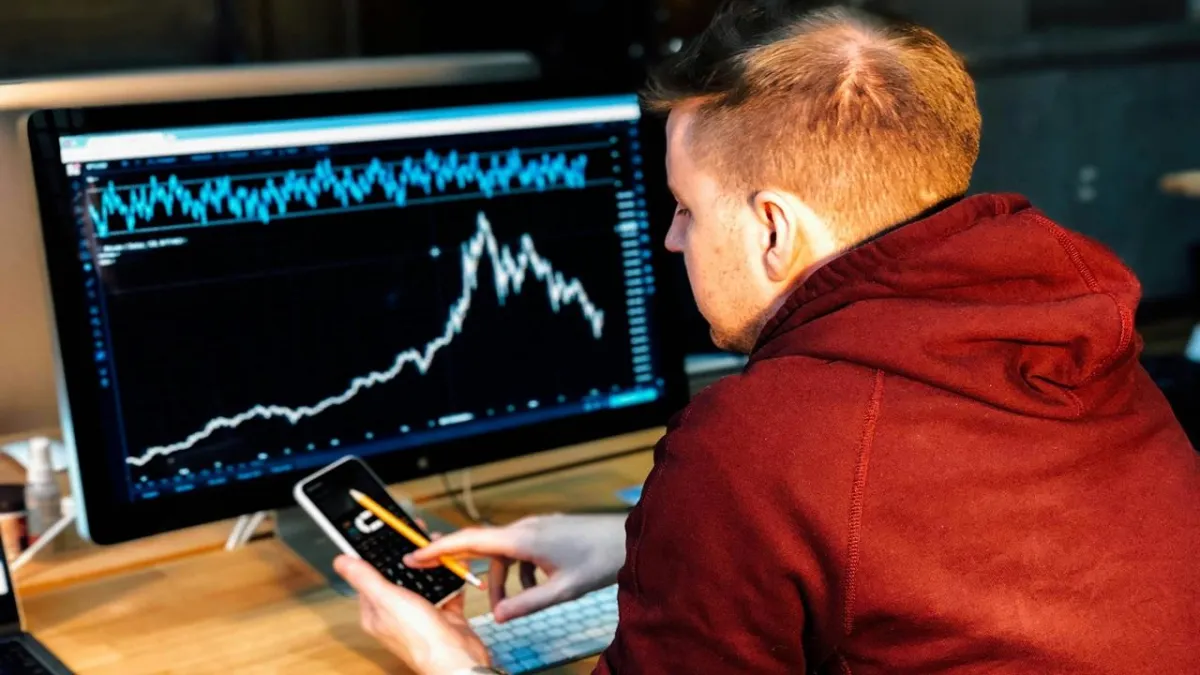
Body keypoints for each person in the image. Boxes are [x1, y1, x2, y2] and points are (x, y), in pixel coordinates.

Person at [334, 2, 1200, 673]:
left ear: (774, 229)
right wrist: (644, 543)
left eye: (686, 208)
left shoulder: (761, 444)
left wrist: (454, 660)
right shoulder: (1080, 340)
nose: (672, 239)